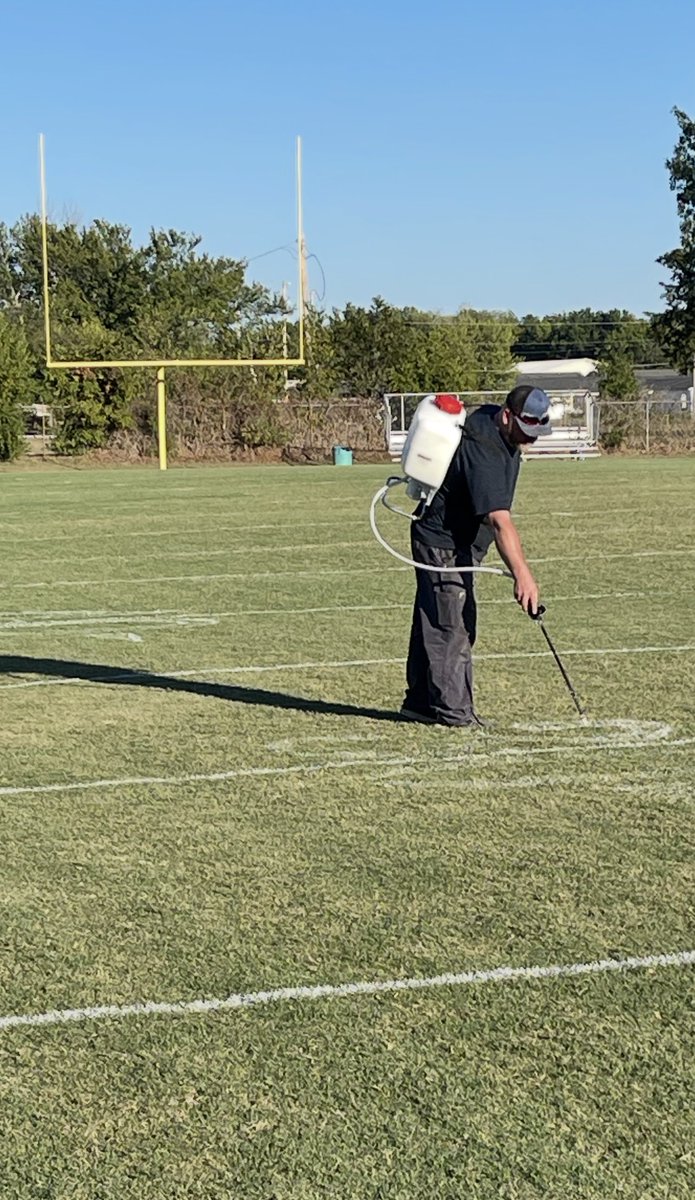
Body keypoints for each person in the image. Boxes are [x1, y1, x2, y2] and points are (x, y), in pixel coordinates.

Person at [400, 385, 552, 727]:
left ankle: (422, 703)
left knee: (437, 615)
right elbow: (500, 522)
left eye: (537, 431)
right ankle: (454, 714)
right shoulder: (485, 451)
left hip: (455, 539)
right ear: (507, 415)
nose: (531, 438)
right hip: (443, 541)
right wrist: (523, 574)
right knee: (452, 625)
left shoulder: (491, 422)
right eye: (526, 430)